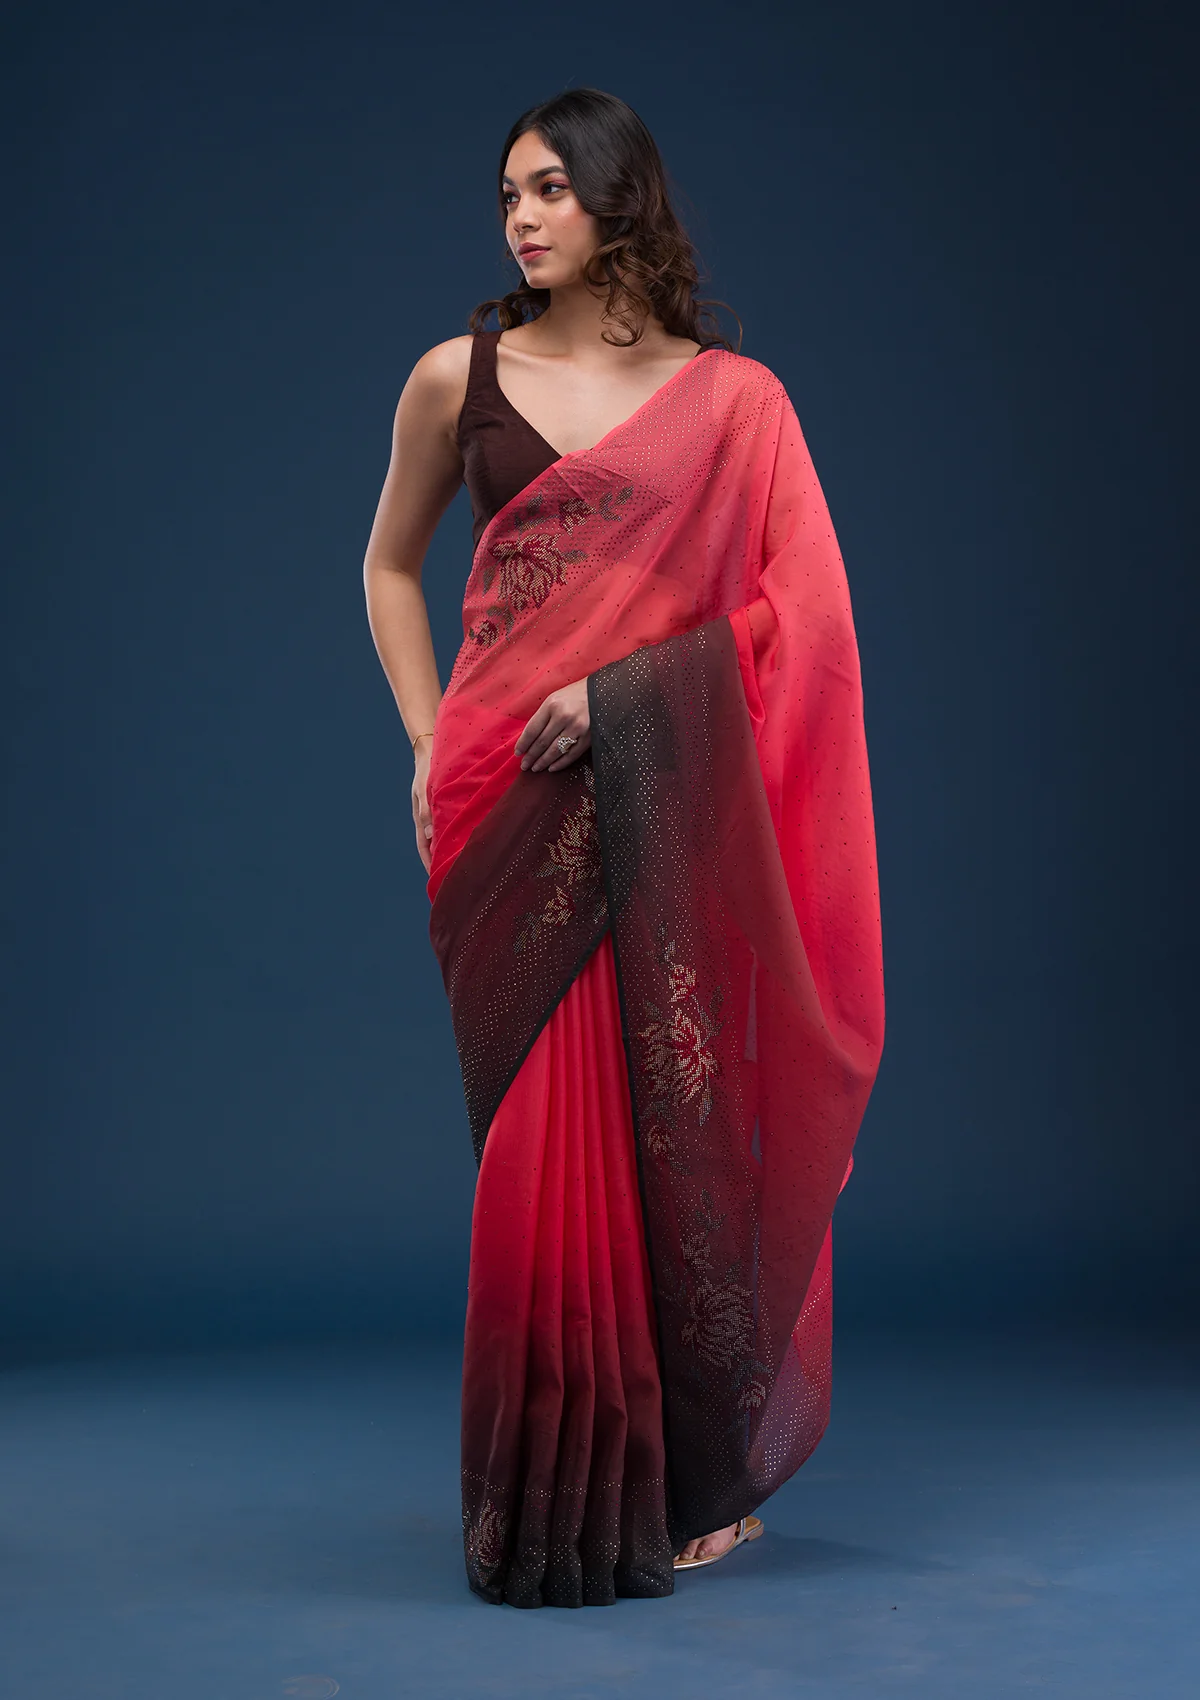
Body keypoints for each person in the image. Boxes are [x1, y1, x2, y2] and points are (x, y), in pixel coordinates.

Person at [363, 87, 884, 1609]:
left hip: (654, 790)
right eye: (505, 196)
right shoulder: (456, 376)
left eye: (547, 189)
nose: (519, 219)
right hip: (500, 795)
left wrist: (621, 697)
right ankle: (547, 1492)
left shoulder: (734, 404)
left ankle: (682, 1478)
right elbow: (389, 567)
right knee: (539, 1152)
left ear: (617, 199)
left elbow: (804, 615)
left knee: (672, 1125)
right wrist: (426, 739)